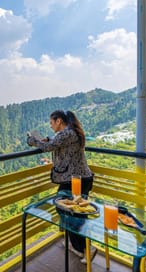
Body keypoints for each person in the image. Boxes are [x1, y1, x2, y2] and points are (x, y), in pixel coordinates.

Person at [27, 110, 97, 264]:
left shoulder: (67, 134)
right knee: (75, 213)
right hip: (80, 179)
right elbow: (56, 141)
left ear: (59, 121)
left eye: (52, 123)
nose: (51, 126)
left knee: (68, 211)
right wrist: (49, 139)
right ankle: (80, 247)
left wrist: (33, 141)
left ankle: (85, 248)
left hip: (76, 180)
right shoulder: (71, 133)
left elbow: (48, 147)